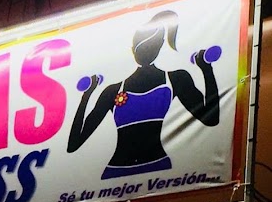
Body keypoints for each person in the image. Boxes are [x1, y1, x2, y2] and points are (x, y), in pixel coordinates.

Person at [67, 10, 220, 179]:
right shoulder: (113, 91)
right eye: (142, 46)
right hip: (117, 173)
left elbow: (211, 119)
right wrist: (86, 96)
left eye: (148, 45)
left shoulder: (175, 79)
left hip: (159, 170)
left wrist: (207, 70)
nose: (143, 50)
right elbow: (73, 145)